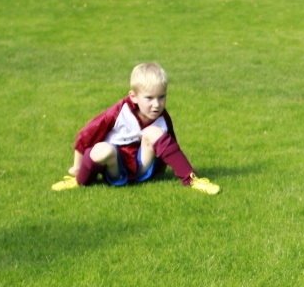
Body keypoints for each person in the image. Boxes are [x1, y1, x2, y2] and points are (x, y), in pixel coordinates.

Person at [51, 62, 220, 195]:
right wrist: (77, 167)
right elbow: (85, 136)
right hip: (116, 169)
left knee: (153, 133)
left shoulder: (161, 116)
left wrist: (174, 170)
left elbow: (170, 144)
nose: (157, 104)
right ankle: (79, 181)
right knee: (102, 149)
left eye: (162, 97)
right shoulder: (117, 113)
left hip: (143, 169)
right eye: (149, 98)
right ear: (134, 96)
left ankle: (191, 180)